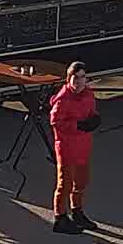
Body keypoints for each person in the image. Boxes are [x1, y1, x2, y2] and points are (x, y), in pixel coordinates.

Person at [48, 61, 100, 233]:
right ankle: (60, 217)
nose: (78, 81)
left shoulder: (88, 95)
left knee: (82, 181)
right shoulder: (63, 99)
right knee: (65, 183)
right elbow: (56, 122)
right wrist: (78, 125)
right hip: (66, 146)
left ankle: (77, 211)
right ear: (68, 79)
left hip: (83, 145)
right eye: (75, 78)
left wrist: (94, 119)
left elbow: (91, 112)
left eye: (82, 77)